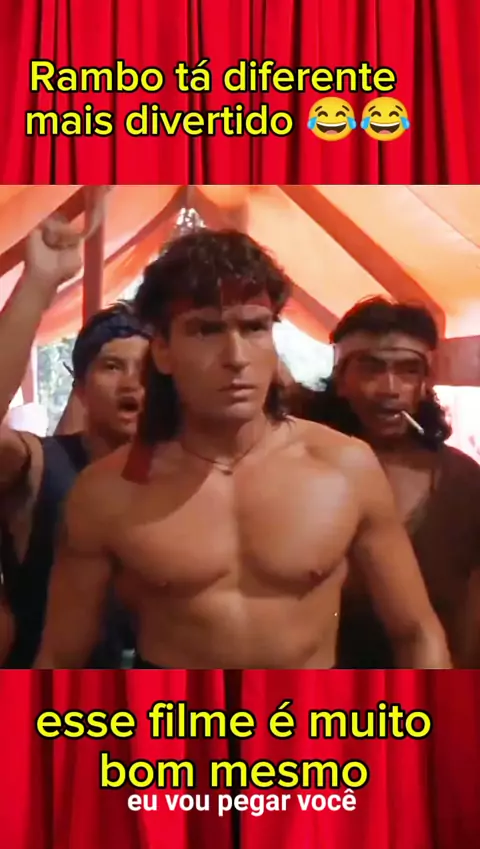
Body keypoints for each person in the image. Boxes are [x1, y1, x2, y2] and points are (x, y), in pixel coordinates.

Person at [35, 230, 451, 670]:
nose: (235, 356)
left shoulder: (345, 467)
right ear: (163, 352)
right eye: (206, 329)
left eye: (254, 327)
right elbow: (61, 656)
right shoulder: (107, 492)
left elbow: (417, 633)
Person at [291, 297, 480, 668]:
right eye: (371, 369)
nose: (390, 388)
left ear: (425, 383)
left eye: (408, 370)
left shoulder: (463, 483)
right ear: (341, 379)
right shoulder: (296, 468)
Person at [0, 217, 149, 667]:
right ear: (80, 389)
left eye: (146, 370)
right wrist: (38, 283)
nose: (132, 383)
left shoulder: (182, 473)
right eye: (112, 366)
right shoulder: (42, 466)